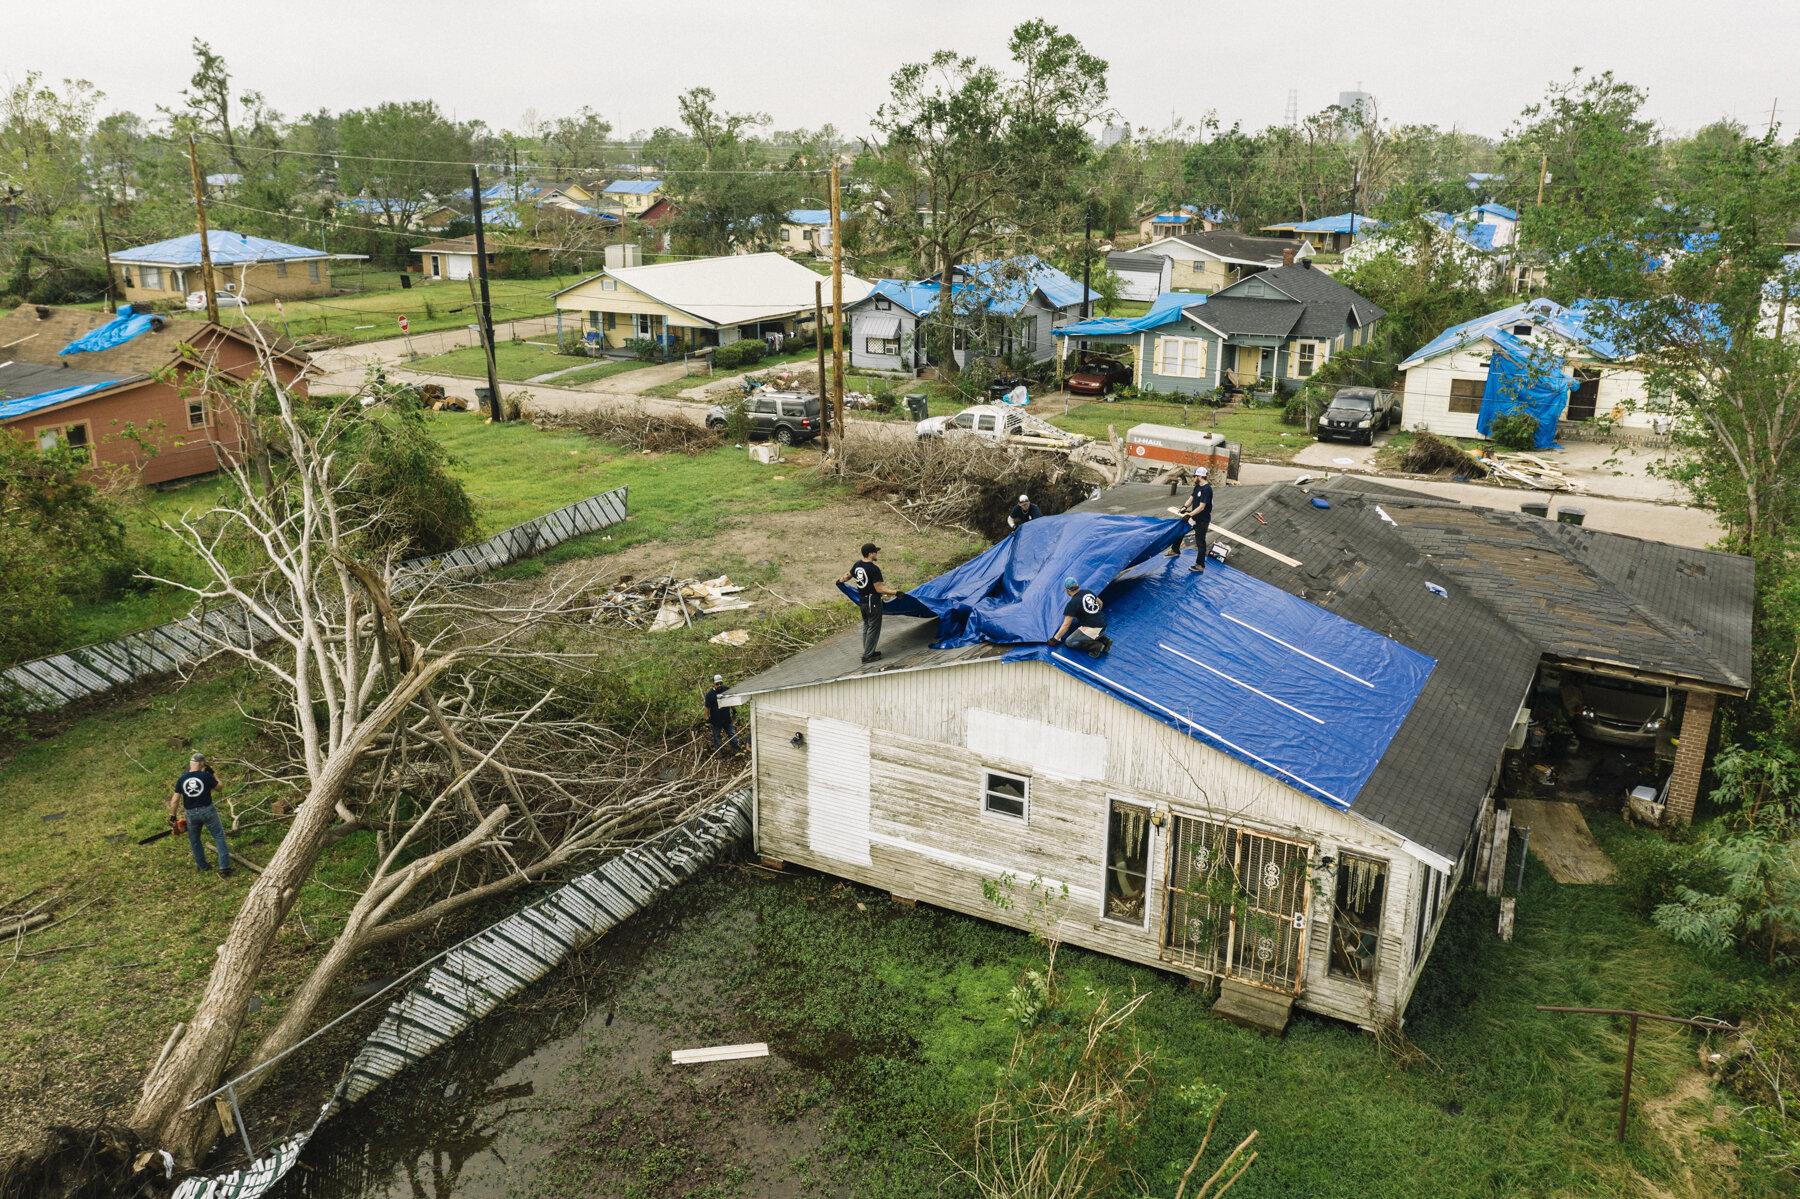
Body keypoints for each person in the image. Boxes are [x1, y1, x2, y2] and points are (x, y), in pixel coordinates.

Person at [169, 753, 230, 878]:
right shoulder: (206, 776)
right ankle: (224, 867)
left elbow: (174, 800)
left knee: (195, 841)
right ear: (201, 763)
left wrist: (173, 816)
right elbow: (219, 787)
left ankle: (203, 866)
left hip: (191, 814)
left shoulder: (182, 779)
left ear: (191, 764)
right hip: (208, 810)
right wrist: (213, 774)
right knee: (218, 836)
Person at [838, 542, 900, 663]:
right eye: (875, 552)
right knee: (873, 627)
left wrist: (840, 580)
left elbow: (847, 576)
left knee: (867, 626)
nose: (877, 554)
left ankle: (869, 650)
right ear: (871, 553)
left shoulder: (857, 565)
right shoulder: (874, 569)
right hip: (873, 602)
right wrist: (896, 592)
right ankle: (867, 655)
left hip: (863, 601)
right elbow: (879, 589)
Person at [1167, 468, 1214, 573]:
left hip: (1202, 520)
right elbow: (1191, 498)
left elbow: (1202, 507)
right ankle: (1175, 550)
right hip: (1194, 518)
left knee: (1200, 543)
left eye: (1194, 476)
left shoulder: (1207, 489)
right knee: (1180, 531)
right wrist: (1185, 507)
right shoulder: (1198, 486)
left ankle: (1200, 565)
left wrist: (1189, 515)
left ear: (1200, 477)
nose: (1193, 478)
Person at [1049, 577, 1111, 657]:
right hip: (1103, 624)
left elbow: (1066, 625)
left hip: (1095, 629)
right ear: (1077, 586)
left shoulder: (1072, 604)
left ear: (1067, 590)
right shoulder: (1088, 592)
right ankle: (1105, 640)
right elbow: (1100, 603)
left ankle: (1096, 645)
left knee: (1070, 642)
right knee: (1085, 630)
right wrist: (1094, 615)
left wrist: (1055, 638)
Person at [703, 674, 740, 753]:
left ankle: (736, 748)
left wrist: (734, 710)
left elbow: (731, 700)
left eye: (720, 683)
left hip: (726, 718)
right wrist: (707, 719)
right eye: (717, 684)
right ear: (713, 684)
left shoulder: (726, 690)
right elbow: (707, 707)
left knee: (732, 734)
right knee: (716, 736)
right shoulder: (710, 695)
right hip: (715, 720)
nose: (719, 685)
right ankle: (719, 751)